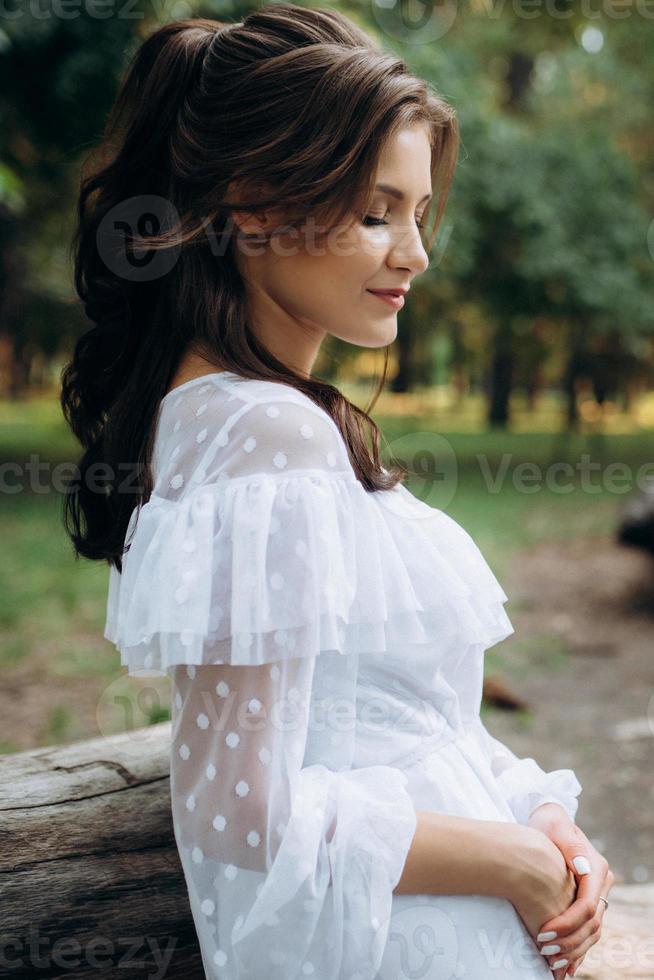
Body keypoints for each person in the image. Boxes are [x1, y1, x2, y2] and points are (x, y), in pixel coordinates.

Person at [60, 4, 614, 979]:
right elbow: (244, 813)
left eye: (418, 213)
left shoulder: (252, 417)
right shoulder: (265, 434)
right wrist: (516, 862)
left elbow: (402, 720)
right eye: (374, 212)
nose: (415, 254)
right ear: (254, 204)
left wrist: (542, 817)